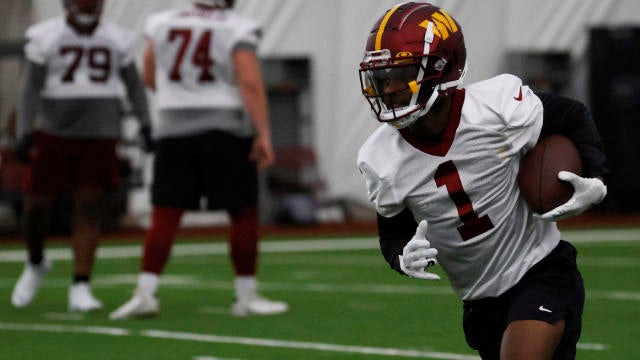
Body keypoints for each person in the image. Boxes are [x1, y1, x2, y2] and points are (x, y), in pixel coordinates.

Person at [356, 2, 608, 359]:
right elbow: (393, 234)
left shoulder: (496, 108)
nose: (388, 89)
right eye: (381, 79)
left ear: (442, 69)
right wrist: (402, 256)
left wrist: (596, 177)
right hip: (479, 303)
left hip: (542, 270)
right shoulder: (381, 157)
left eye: (401, 75)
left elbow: (572, 115)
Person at [109, 0, 288, 320]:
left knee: (164, 213)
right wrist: (263, 133)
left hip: (173, 129)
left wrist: (179, 97)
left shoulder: (161, 22)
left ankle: (145, 293)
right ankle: (245, 296)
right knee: (243, 211)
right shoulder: (236, 26)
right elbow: (248, 82)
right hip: (225, 129)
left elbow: (149, 75)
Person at [11, 0, 152, 312]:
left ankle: (81, 284)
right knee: (35, 206)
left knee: (88, 207)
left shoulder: (118, 37)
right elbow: (30, 88)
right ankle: (36, 261)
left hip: (100, 133)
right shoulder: (45, 36)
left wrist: (145, 124)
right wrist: (24, 129)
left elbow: (134, 86)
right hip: (53, 132)